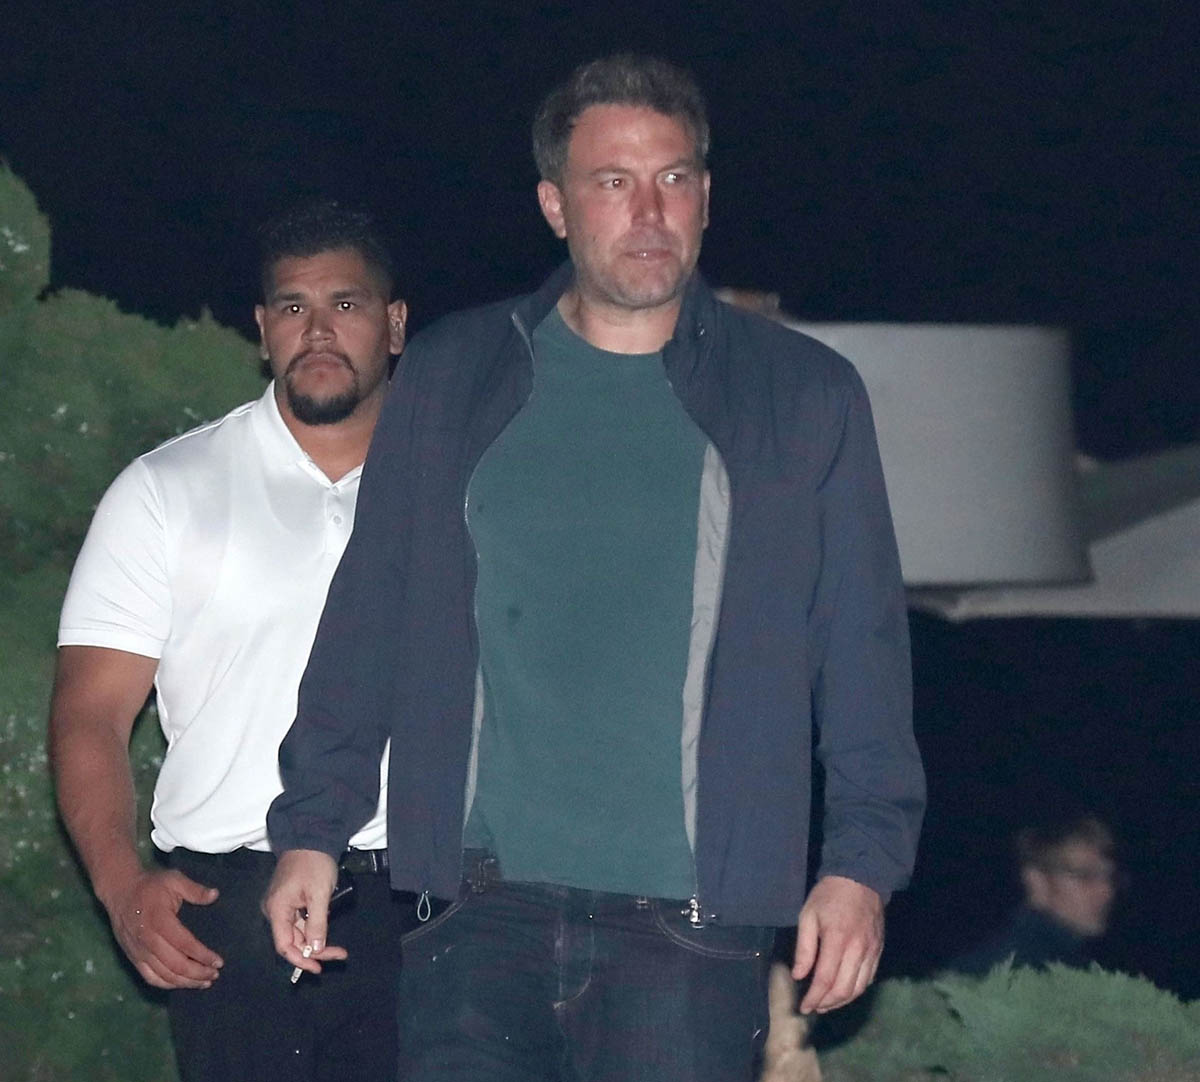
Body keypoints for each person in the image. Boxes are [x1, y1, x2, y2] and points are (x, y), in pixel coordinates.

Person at [265, 54, 925, 1081]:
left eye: (674, 178)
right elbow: (370, 611)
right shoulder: (453, 374)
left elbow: (863, 648)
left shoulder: (802, 397)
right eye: (614, 182)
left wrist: (861, 867)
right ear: (555, 206)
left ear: (707, 195)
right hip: (475, 910)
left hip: (693, 929)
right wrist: (314, 827)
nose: (650, 211)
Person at [48, 200, 410, 1082]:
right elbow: (90, 713)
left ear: (395, 324)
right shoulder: (168, 490)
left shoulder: (462, 485)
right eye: (292, 307)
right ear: (261, 329)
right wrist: (121, 889)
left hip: (428, 902)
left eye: (346, 304)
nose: (318, 330)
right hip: (233, 907)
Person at [950, 815, 1118, 976]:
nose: (1106, 891)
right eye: (1085, 876)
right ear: (1037, 882)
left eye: (1109, 877)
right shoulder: (1009, 971)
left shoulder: (1072, 962)